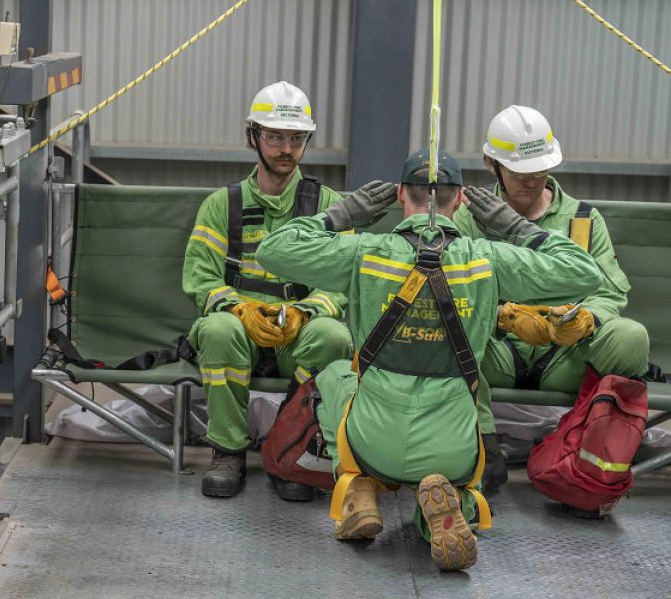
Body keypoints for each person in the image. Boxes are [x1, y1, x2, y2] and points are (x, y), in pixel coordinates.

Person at [257, 151, 601, 570]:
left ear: (400, 194)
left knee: (332, 373)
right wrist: (514, 225)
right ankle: (442, 512)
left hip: (371, 440)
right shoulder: (485, 259)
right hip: (451, 446)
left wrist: (340, 214)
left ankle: (356, 485)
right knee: (457, 488)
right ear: (460, 201)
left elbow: (273, 251)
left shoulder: (366, 253)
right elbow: (584, 273)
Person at [183, 82, 353, 501]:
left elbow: (344, 281)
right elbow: (200, 279)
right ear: (252, 137)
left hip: (298, 333)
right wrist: (240, 310)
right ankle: (227, 451)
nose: (285, 149)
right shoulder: (222, 205)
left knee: (334, 336)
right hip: (240, 329)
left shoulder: (329, 206)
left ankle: (290, 450)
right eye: (274, 137)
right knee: (218, 330)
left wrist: (305, 312)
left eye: (296, 139)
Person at [453, 105, 650, 428]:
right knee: (448, 334)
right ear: (491, 165)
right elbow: (453, 290)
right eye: (519, 174)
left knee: (630, 336)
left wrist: (587, 320)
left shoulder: (583, 220)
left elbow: (609, 292)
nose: (531, 182)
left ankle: (593, 454)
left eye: (540, 172)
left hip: (567, 357)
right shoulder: (468, 219)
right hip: (495, 355)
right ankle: (476, 437)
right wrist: (502, 317)